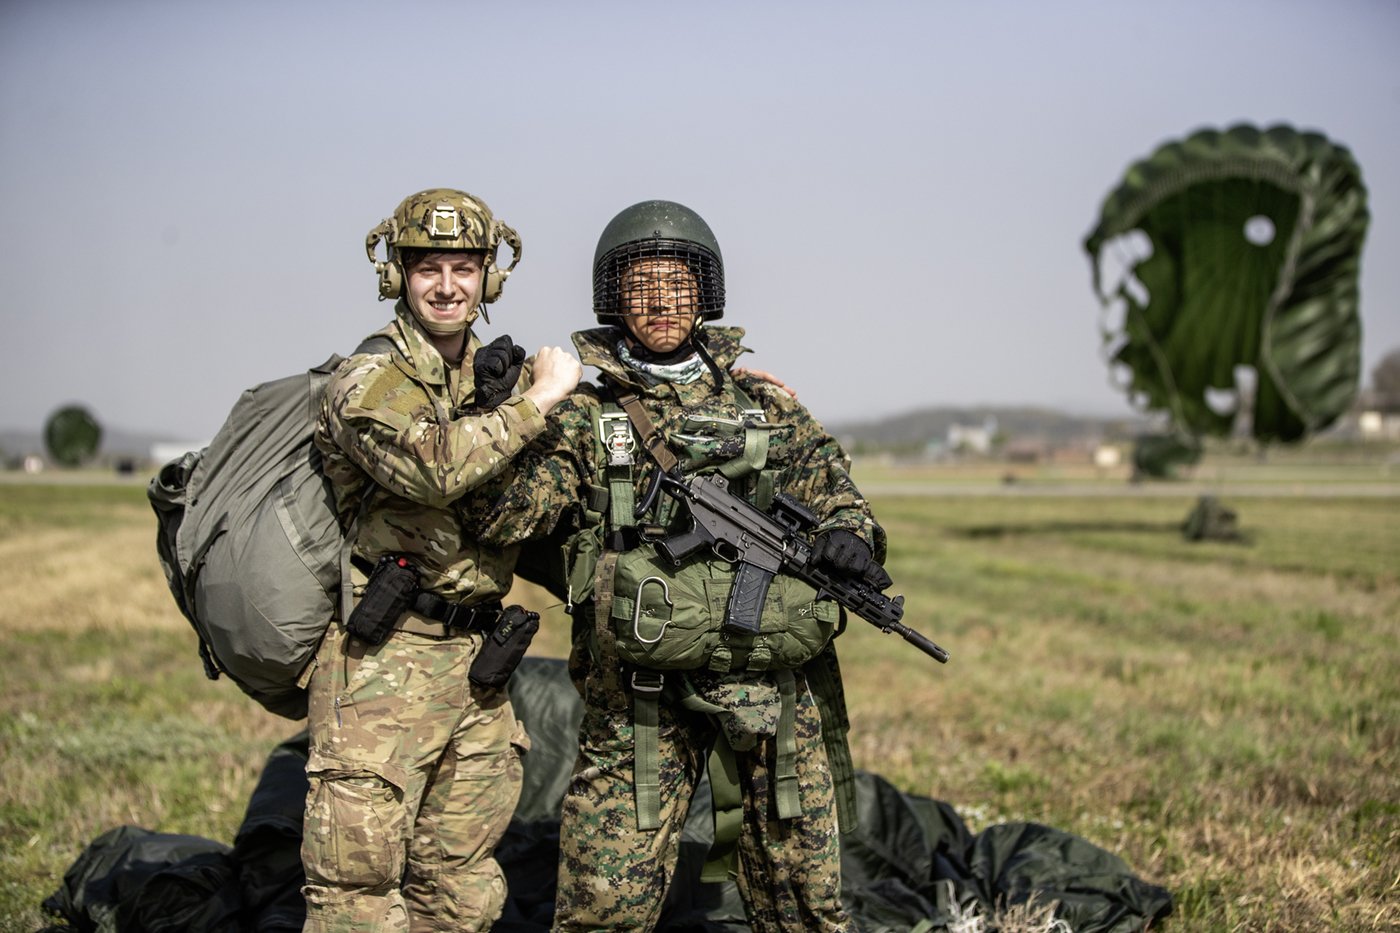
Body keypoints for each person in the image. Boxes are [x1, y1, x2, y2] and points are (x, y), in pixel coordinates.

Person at [475, 200, 891, 931]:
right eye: (641, 285)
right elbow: (507, 518)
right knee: (601, 911)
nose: (661, 301)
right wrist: (504, 414)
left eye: (678, 282)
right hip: (636, 708)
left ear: (705, 293)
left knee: (806, 906)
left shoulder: (767, 408)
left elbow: (843, 501)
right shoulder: (583, 417)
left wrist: (853, 536)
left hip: (769, 694)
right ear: (614, 298)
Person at [302, 188, 582, 932]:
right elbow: (436, 467)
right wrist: (539, 402)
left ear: (489, 278)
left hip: (479, 668)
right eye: (429, 268)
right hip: (383, 665)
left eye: (465, 267)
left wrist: (733, 377)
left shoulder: (488, 382)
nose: (449, 285)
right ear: (398, 276)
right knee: (356, 896)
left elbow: (601, 414)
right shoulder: (367, 381)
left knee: (461, 890)